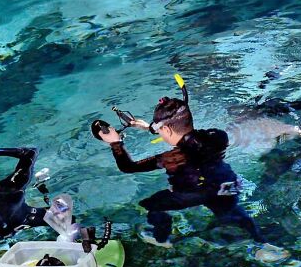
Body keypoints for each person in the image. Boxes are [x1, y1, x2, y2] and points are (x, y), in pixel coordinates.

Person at [98, 96, 263, 247]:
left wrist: (116, 143)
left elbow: (128, 167)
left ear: (167, 130)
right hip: (226, 183)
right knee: (231, 213)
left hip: (196, 192)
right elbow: (183, 132)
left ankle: (162, 239)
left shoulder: (173, 158)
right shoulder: (217, 137)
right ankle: (259, 241)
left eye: (160, 130)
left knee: (151, 205)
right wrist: (148, 127)